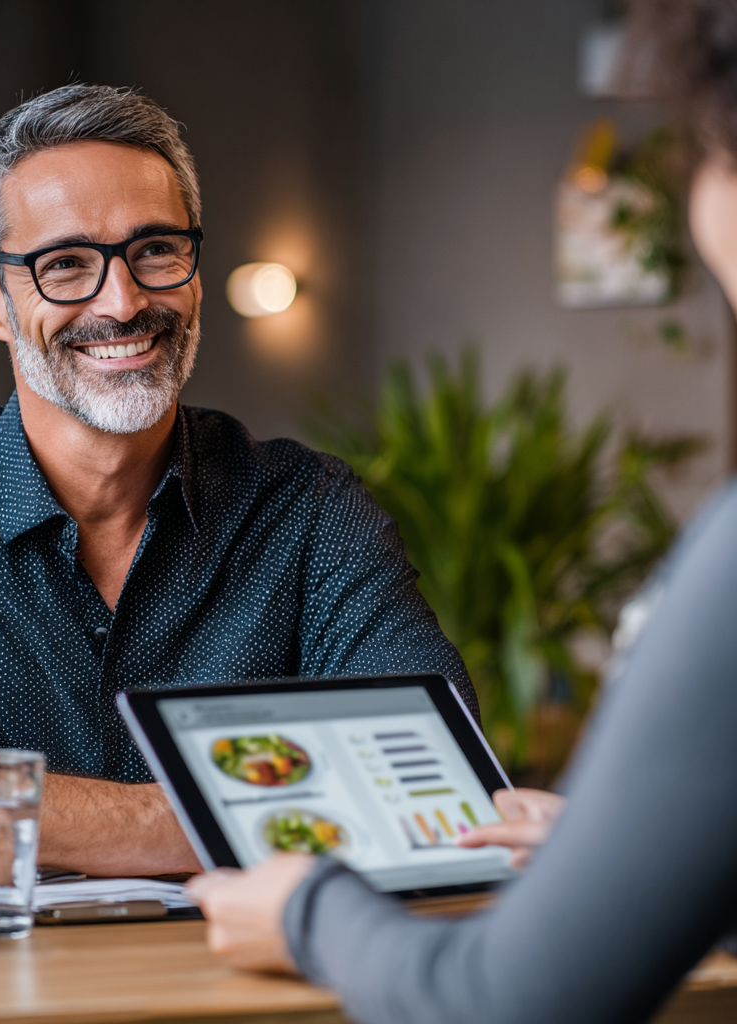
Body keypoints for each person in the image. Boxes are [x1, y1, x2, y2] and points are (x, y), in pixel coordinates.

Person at [0, 84, 476, 874]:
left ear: (195, 271)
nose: (123, 300)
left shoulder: (310, 510)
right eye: (64, 263)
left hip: (250, 976)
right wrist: (192, 820)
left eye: (155, 251)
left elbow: (434, 767)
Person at [188, 3, 737, 1021]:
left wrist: (311, 910)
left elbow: (503, 1003)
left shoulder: (312, 500)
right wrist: (627, 852)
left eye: (704, 146)